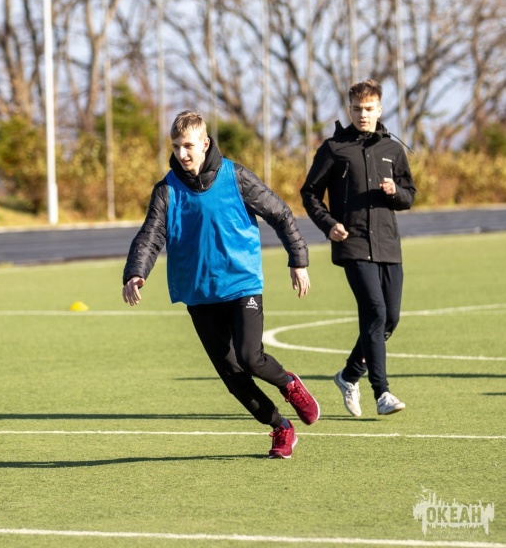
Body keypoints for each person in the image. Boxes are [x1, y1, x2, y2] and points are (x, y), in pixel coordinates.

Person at [122, 110, 319, 459]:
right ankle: (280, 426)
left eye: (188, 145)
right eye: (176, 146)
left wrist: (298, 260)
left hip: (242, 283)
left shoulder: (236, 176)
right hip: (199, 293)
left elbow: (280, 213)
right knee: (232, 375)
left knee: (250, 357)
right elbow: (151, 234)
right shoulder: (167, 190)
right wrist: (136, 272)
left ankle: (289, 384)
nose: (182, 153)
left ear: (205, 143)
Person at [300, 79, 416, 417]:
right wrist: (328, 224)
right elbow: (309, 193)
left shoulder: (393, 149)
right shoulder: (334, 148)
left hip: (388, 245)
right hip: (352, 244)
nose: (363, 114)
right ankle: (382, 392)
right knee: (375, 312)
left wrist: (395, 192)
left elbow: (409, 196)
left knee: (390, 318)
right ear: (349, 110)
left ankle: (349, 375)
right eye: (357, 109)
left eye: (368, 109)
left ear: (379, 109)